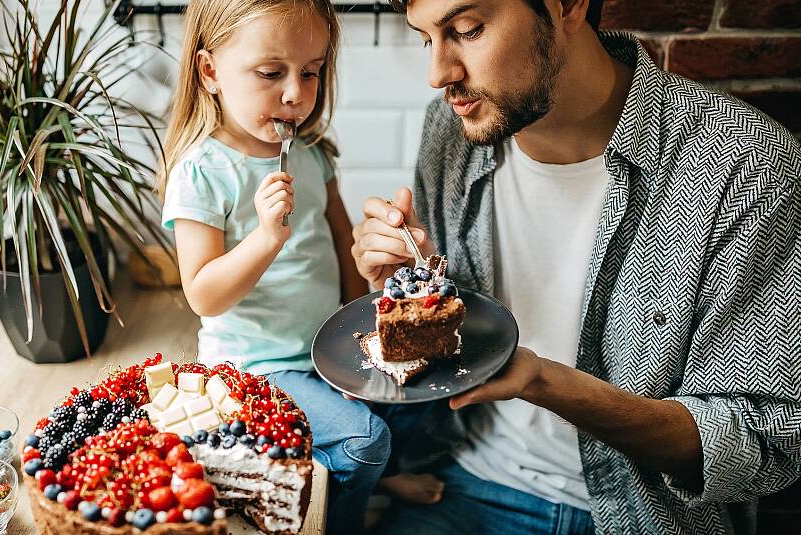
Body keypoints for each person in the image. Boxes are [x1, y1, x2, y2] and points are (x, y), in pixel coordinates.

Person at [351, 0, 801, 533]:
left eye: (467, 30)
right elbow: (452, 338)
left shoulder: (746, 165)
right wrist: (406, 287)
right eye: (427, 39)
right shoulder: (454, 130)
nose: (438, 74)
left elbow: (768, 441)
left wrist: (547, 383)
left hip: (640, 517)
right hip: (458, 482)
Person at [157, 1, 443, 532]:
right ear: (210, 71)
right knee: (365, 439)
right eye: (271, 73)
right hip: (256, 368)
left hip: (328, 348)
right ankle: (348, 509)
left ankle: (377, 472)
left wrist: (374, 309)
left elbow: (338, 238)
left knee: (424, 386)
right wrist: (266, 238)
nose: (296, 92)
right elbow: (203, 294)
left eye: (311, 71)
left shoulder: (310, 154)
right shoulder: (202, 171)